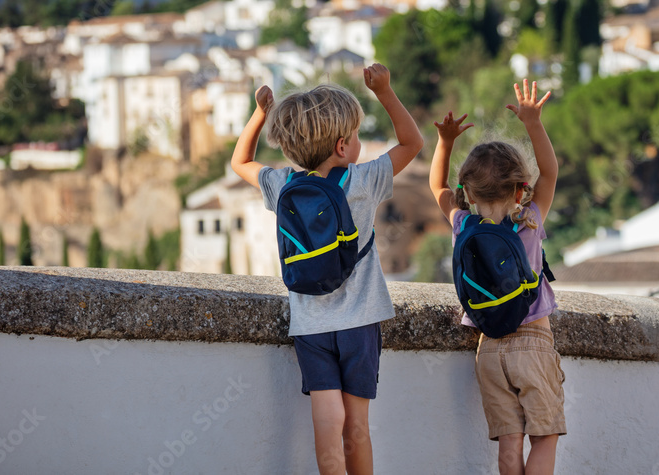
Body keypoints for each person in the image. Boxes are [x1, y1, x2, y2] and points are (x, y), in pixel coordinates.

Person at [230, 63, 422, 475]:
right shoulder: (363, 180)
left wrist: (259, 114)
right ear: (342, 146)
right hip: (360, 320)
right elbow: (411, 142)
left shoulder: (283, 186)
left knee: (327, 423)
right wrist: (385, 92)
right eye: (354, 137)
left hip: (310, 324)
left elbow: (240, 161)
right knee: (357, 427)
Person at [429, 79, 565, 475]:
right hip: (534, 341)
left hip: (489, 349)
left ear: (467, 193)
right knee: (544, 435)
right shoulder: (529, 220)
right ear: (522, 188)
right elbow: (551, 173)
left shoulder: (462, 225)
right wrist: (533, 122)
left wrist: (445, 141)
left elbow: (437, 186)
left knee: (509, 442)